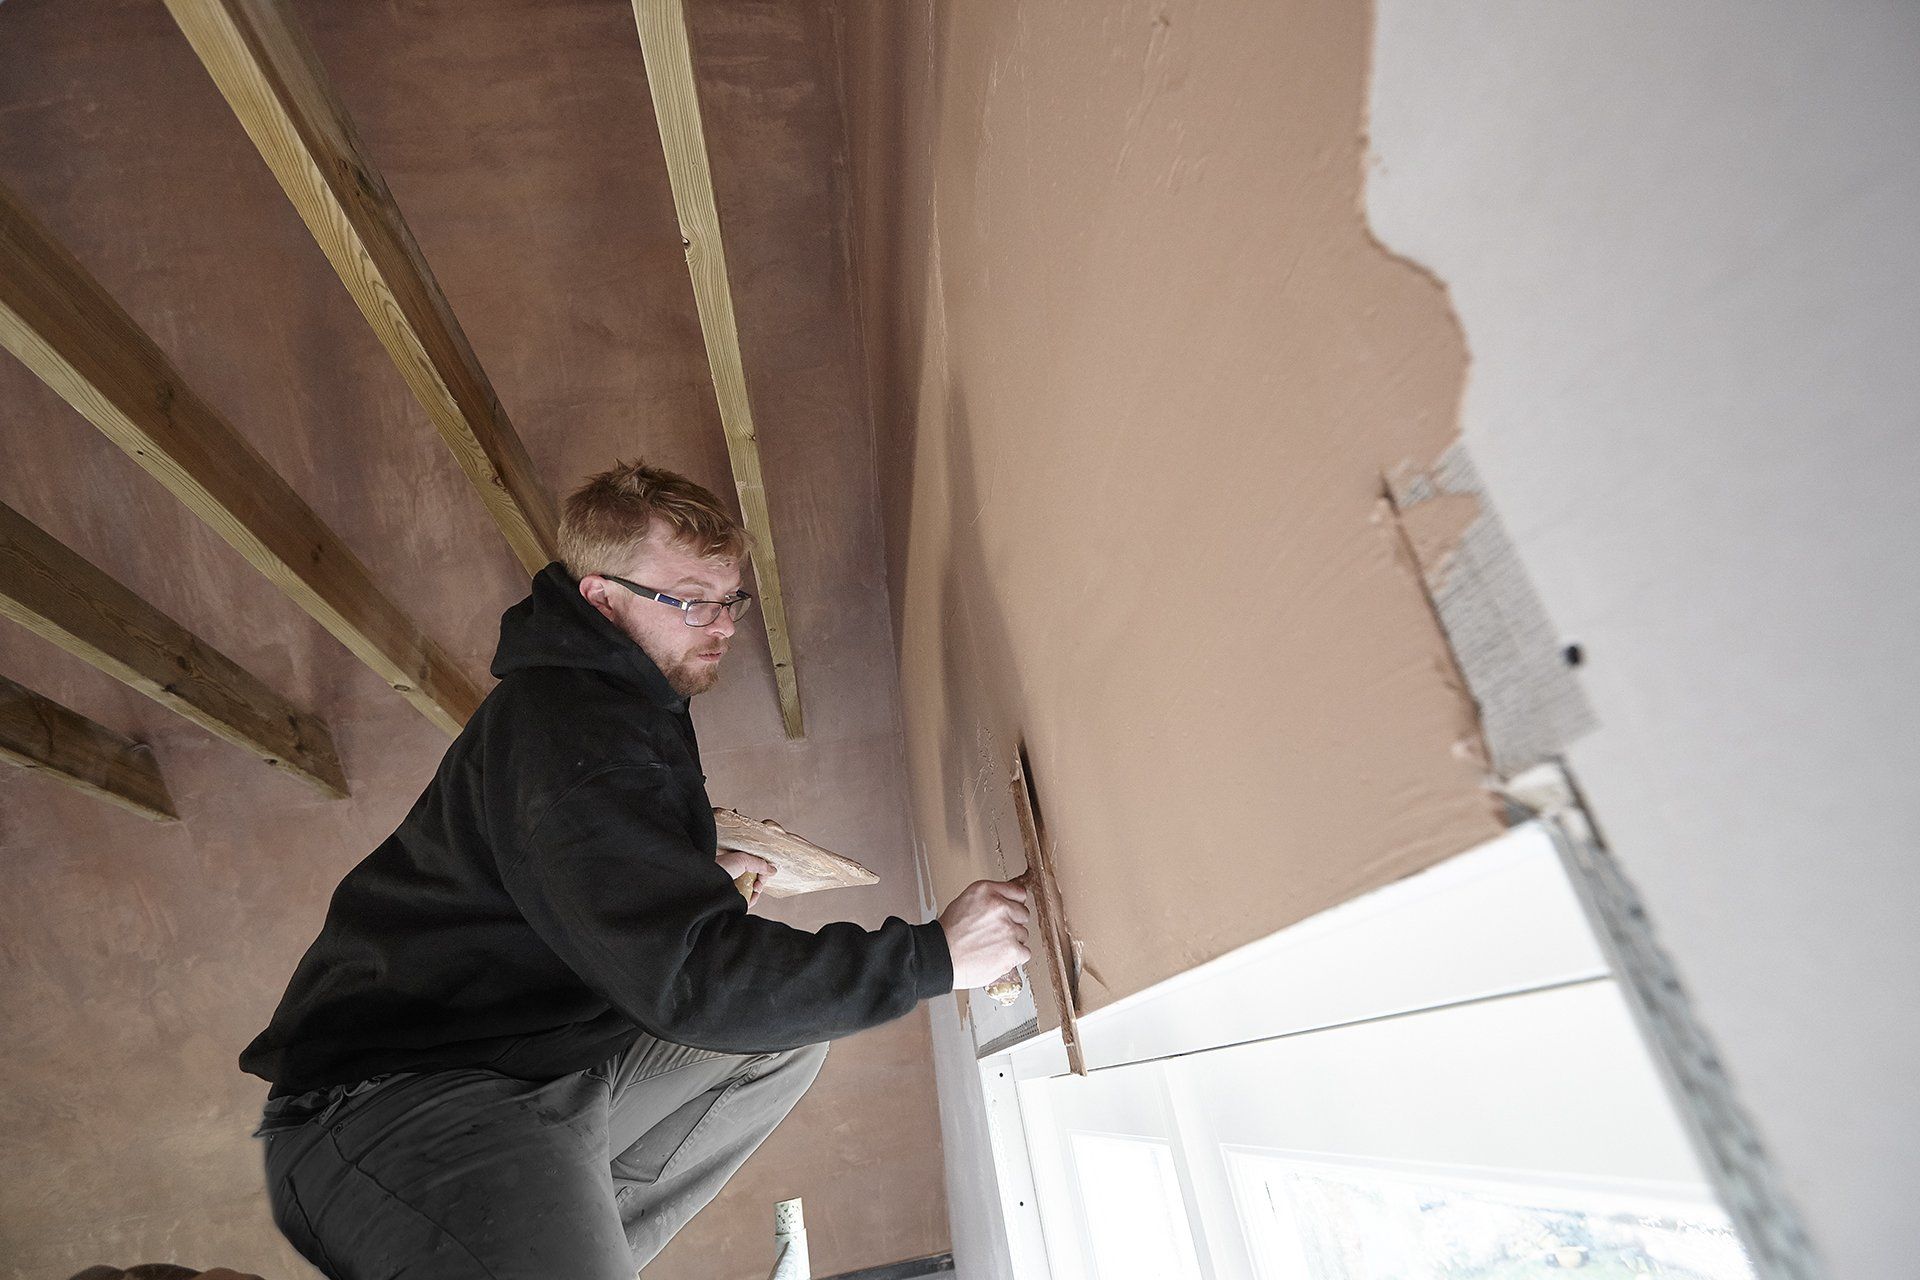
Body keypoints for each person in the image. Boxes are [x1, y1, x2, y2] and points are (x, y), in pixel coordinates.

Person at [239, 460, 1031, 1278]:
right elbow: (689, 981)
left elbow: (563, 870)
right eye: (689, 600)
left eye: (730, 600)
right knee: (736, 1008)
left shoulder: (617, 698)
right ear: (600, 596)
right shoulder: (574, 727)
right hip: (393, 1105)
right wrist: (937, 954)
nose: (720, 623)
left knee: (778, 1041)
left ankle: (553, 1241)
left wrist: (682, 868)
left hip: (527, 1064)